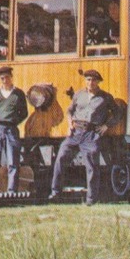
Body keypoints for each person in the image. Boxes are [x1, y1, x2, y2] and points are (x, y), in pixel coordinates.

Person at [49, 69, 121, 205]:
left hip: (92, 134)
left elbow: (117, 113)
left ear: (98, 82)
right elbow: (69, 110)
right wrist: (69, 124)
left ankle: (91, 199)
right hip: (75, 132)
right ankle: (55, 193)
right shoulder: (78, 95)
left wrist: (107, 126)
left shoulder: (105, 97)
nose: (90, 82)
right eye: (88, 79)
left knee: (92, 165)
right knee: (61, 157)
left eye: (93, 80)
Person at [0, 66, 28, 193]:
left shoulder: (18, 93)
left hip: (11, 130)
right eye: (2, 78)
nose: (4, 80)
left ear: (11, 77)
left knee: (13, 162)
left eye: (7, 77)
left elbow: (24, 113)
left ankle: (11, 192)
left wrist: (12, 121)